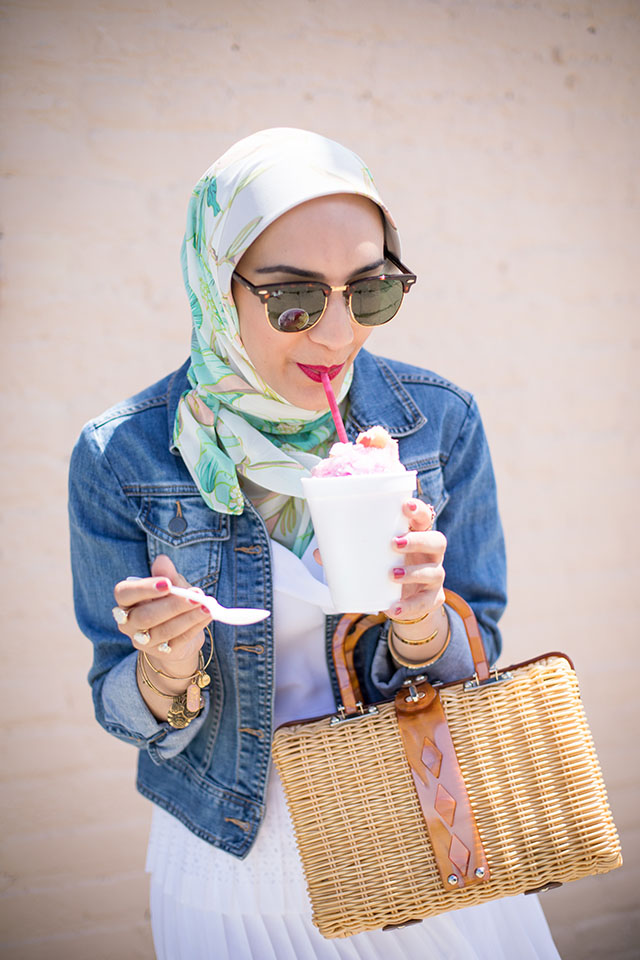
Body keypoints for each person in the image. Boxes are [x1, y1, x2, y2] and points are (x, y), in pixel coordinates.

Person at [69, 128, 561, 959]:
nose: (337, 335)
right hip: (235, 862)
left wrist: (421, 625)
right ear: (215, 286)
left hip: (428, 838)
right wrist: (165, 672)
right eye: (295, 299)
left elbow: (478, 650)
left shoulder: (436, 423)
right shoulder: (125, 456)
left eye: (369, 293)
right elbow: (119, 708)